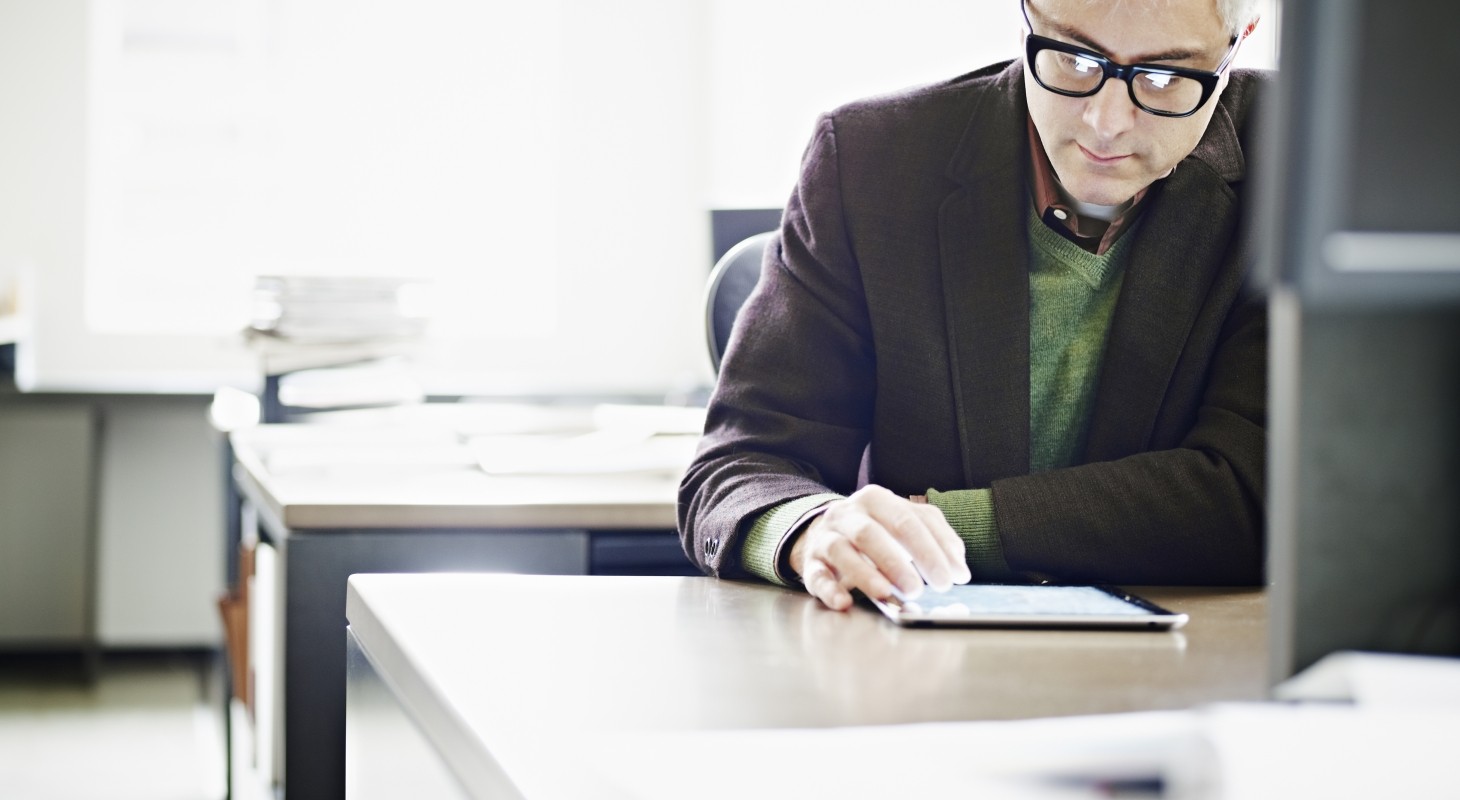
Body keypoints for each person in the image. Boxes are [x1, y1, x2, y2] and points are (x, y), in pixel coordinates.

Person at [680, 0, 1268, 611]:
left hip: (1194, 667)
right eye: (1072, 57)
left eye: (1164, 77)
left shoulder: (1315, 167)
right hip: (915, 664)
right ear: (1026, 18)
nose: (1105, 122)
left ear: (1239, 39)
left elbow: (1260, 497)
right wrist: (812, 530)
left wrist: (934, 527)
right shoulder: (868, 161)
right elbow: (740, 469)